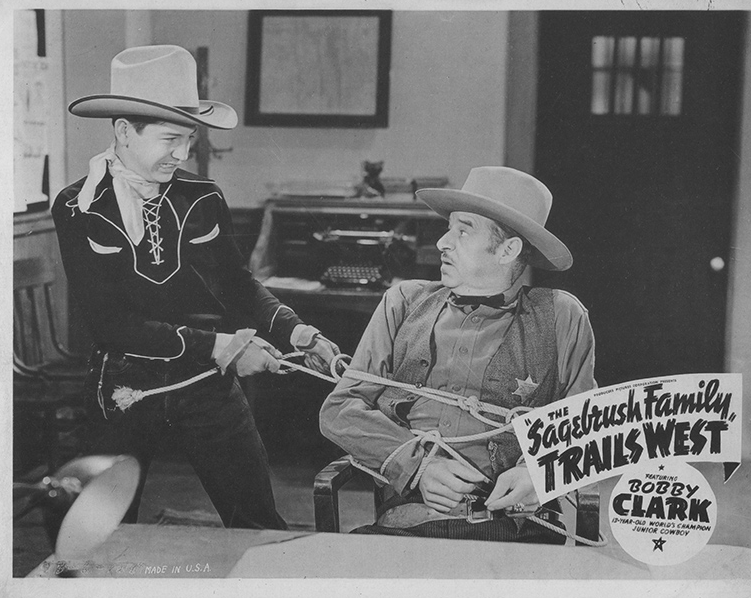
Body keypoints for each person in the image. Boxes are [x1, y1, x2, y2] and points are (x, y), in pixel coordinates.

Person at [51, 45, 339, 530]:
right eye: (170, 139)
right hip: (123, 386)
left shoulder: (202, 197)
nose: (182, 155)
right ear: (124, 131)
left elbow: (238, 285)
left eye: (188, 139)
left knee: (257, 523)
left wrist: (297, 331)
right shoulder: (77, 207)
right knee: (102, 534)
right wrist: (222, 346)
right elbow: (111, 324)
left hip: (208, 383)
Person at [319, 166, 596, 542]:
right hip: (406, 525)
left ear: (508, 250)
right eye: (448, 228)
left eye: (463, 231)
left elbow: (588, 425)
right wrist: (416, 466)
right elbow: (339, 410)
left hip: (515, 533)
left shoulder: (562, 316)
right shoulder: (403, 302)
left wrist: (541, 472)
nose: (442, 243)